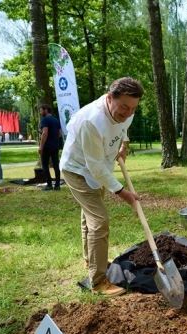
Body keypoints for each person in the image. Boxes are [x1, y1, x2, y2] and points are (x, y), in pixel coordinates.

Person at [60, 77, 143, 296]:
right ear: (109, 97)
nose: (127, 112)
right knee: (99, 220)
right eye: (124, 106)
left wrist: (124, 143)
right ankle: (97, 281)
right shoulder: (92, 121)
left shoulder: (127, 112)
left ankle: (91, 258)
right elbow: (94, 165)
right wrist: (123, 193)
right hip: (77, 170)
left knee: (89, 216)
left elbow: (123, 127)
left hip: (99, 167)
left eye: (133, 108)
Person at [38, 104, 62, 191]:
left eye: (41, 110)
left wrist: (41, 146)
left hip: (47, 146)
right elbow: (59, 133)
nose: (40, 112)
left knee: (45, 165)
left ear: (46, 110)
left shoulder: (44, 120)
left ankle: (49, 185)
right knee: (56, 165)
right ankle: (57, 185)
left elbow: (45, 133)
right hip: (55, 146)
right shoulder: (56, 120)